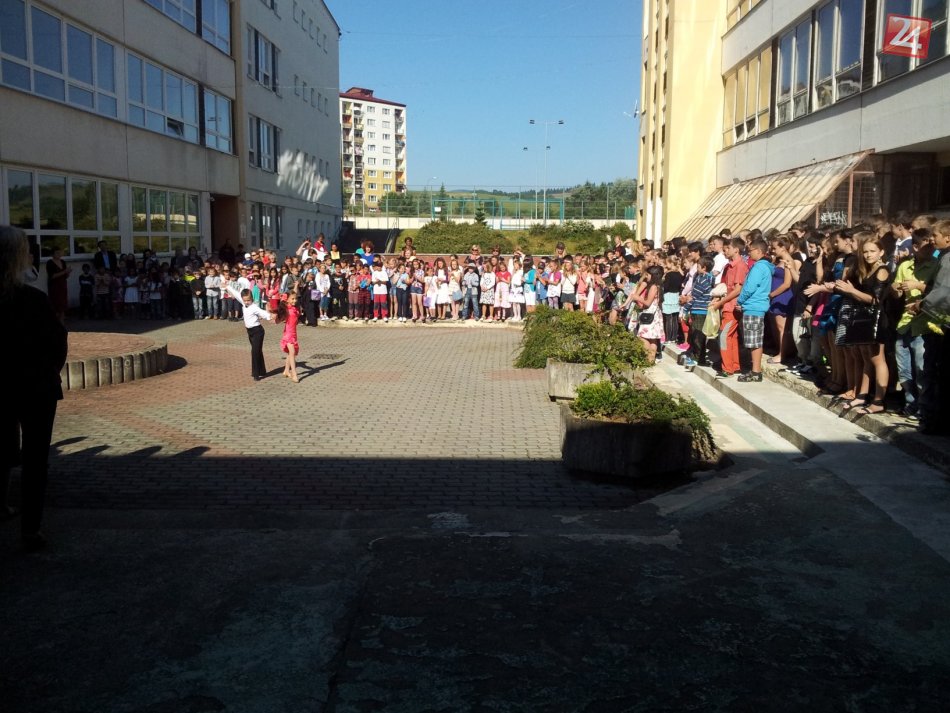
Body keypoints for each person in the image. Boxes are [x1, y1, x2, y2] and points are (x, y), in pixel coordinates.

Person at [0, 225, 69, 551]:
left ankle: (3, 506)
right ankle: (31, 529)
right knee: (35, 458)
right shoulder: (33, 300)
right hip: (36, 388)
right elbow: (57, 343)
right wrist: (49, 371)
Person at [735, 239, 775, 382]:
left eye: (750, 250)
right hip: (754, 306)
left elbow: (750, 287)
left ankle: (756, 371)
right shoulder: (763, 266)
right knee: (753, 340)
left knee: (754, 341)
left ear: (758, 251)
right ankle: (755, 370)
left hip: (754, 307)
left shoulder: (759, 267)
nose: (748, 253)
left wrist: (740, 300)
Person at [225, 283, 274, 380]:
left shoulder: (254, 307)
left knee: (254, 352)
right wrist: (227, 286)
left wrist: (271, 316)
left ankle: (255, 374)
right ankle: (262, 371)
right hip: (250, 332)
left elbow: (262, 313)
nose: (247, 302)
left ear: (252, 298)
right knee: (257, 351)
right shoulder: (243, 303)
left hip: (258, 332)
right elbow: (236, 293)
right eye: (245, 300)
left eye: (249, 300)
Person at [275, 289, 301, 382]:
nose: (295, 300)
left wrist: (296, 286)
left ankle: (286, 370)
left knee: (290, 353)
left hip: (294, 334)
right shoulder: (286, 310)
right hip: (288, 335)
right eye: (292, 299)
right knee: (292, 353)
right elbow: (278, 320)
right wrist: (273, 317)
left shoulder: (294, 309)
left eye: (295, 299)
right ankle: (294, 373)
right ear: (287, 300)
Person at [45, 247, 71, 323]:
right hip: (54, 286)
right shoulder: (50, 262)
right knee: (55, 305)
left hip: (62, 285)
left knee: (62, 306)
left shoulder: (63, 262)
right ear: (52, 254)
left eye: (60, 252)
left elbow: (65, 276)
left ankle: (62, 323)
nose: (59, 254)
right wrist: (64, 272)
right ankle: (55, 323)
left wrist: (68, 272)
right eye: (57, 253)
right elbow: (52, 276)